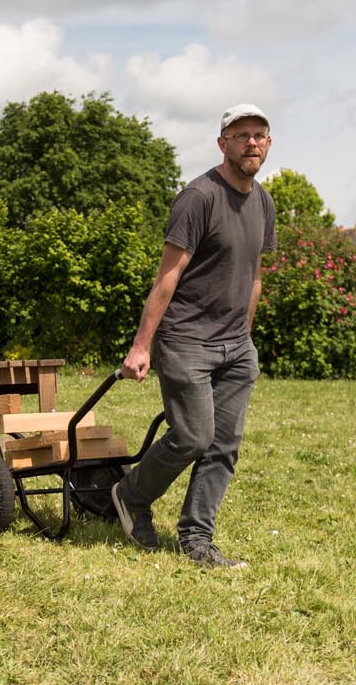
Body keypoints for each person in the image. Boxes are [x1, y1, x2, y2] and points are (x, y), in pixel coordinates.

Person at [110, 103, 276, 570]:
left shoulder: (263, 201)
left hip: (235, 346)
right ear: (222, 142)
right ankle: (131, 494)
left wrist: (244, 336)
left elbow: (255, 274)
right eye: (241, 135)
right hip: (185, 339)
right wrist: (142, 345)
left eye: (259, 135)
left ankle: (197, 538)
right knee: (193, 437)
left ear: (268, 144)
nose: (251, 143)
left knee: (224, 445)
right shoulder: (199, 197)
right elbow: (168, 276)